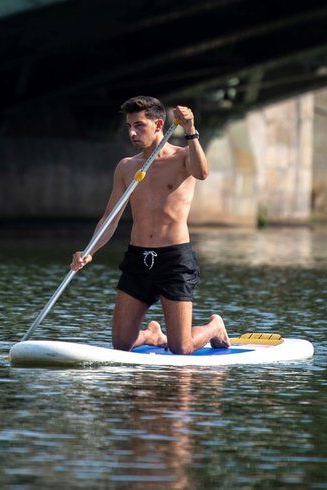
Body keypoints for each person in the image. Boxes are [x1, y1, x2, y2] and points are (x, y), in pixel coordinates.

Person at [70, 96, 230, 353]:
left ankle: (214, 326)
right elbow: (109, 218)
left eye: (139, 126)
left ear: (158, 125)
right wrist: (89, 251)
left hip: (174, 259)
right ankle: (153, 335)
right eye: (129, 126)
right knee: (122, 344)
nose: (132, 132)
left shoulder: (183, 158)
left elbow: (202, 173)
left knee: (182, 348)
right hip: (138, 258)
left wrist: (190, 130)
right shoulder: (127, 167)